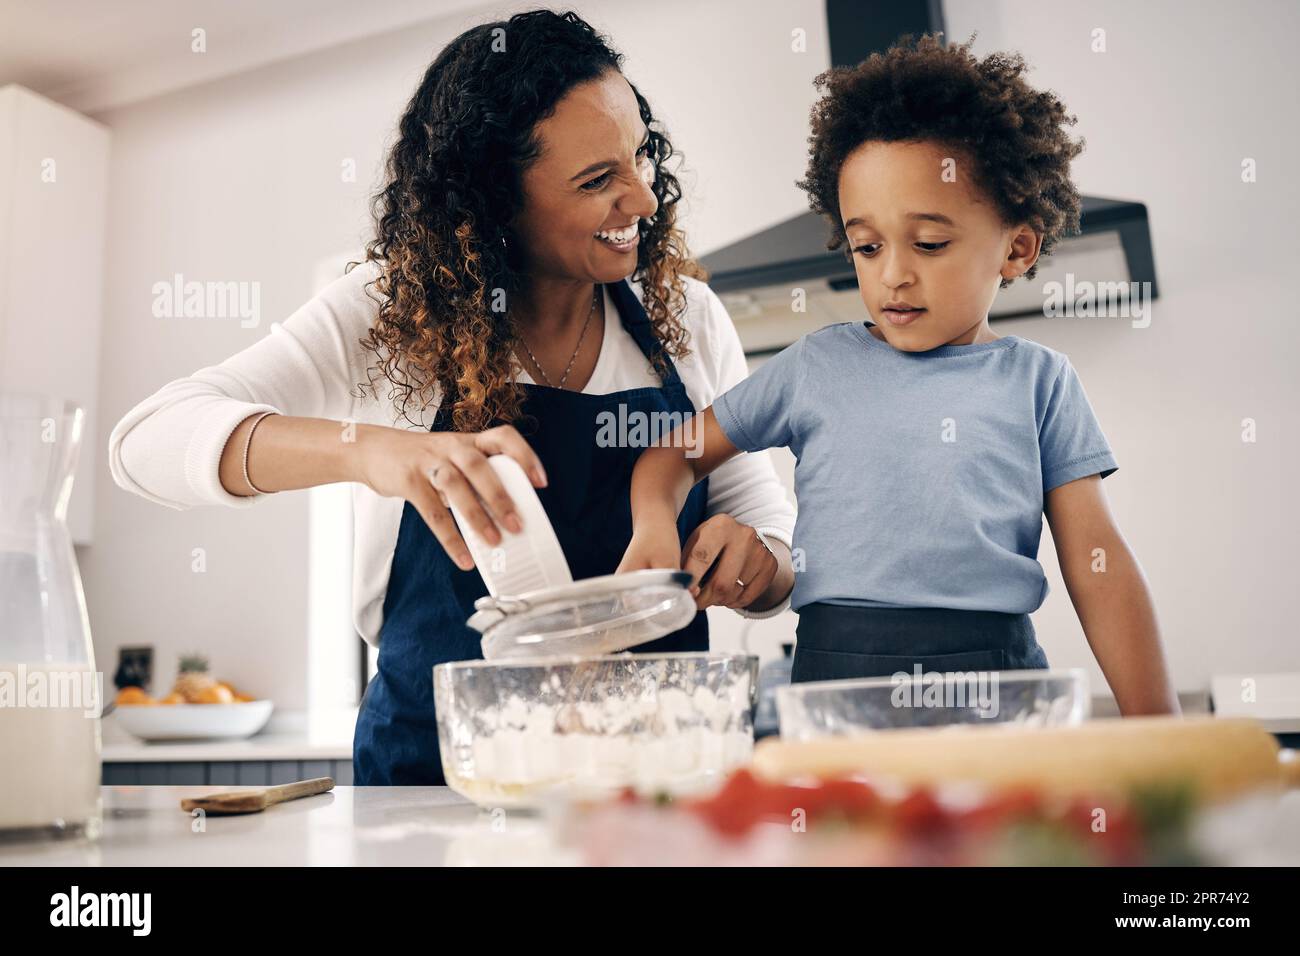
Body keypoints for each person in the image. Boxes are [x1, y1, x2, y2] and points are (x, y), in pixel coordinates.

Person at [109, 10, 797, 784]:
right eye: (598, 180)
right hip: (434, 786)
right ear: (494, 205)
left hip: (652, 783)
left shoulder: (688, 319)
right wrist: (375, 452)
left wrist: (759, 566)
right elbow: (145, 442)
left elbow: (764, 524)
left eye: (639, 154)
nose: (641, 199)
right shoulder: (387, 313)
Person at [618, 34, 1179, 716]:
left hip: (996, 689)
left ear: (1018, 247)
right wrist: (653, 524)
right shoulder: (817, 365)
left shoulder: (1040, 382)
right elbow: (673, 453)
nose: (893, 275)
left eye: (930, 243)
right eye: (867, 246)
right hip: (834, 687)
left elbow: (1099, 565)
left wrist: (1159, 727)